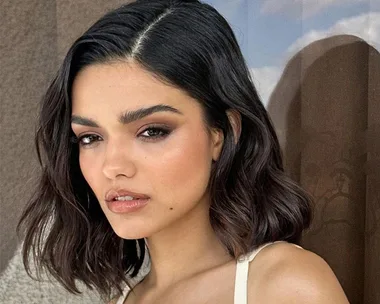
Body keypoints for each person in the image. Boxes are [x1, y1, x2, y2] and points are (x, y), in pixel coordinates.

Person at [17, 0, 350, 303]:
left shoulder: (284, 286)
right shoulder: (124, 300)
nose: (112, 166)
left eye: (152, 131)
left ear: (221, 133)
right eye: (90, 137)